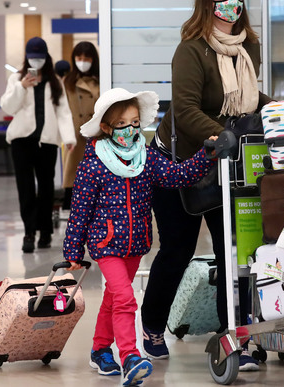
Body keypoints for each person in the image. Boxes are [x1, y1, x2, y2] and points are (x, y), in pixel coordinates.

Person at [140, 0, 273, 370]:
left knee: (231, 250)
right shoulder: (192, 49)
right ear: (207, 1)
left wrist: (277, 112)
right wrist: (221, 134)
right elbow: (185, 110)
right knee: (177, 249)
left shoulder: (250, 46)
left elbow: (246, 100)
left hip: (222, 162)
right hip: (177, 163)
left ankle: (231, 336)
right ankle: (150, 327)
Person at [63, 88, 217, 386]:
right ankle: (130, 356)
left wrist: (205, 155)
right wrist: (73, 251)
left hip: (135, 244)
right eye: (122, 124)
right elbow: (80, 209)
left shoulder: (145, 158)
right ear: (106, 128)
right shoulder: (94, 162)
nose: (131, 129)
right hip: (106, 244)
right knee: (124, 298)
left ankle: (99, 350)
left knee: (112, 299)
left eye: (135, 122)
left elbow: (177, 176)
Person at [0, 36, 76, 253]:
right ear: (26, 57)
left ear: (46, 57)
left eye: (39, 57)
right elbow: (8, 107)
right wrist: (22, 87)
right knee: (25, 188)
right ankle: (29, 232)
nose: (36, 61)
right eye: (32, 57)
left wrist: (69, 138)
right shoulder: (16, 78)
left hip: (47, 142)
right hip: (21, 141)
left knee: (45, 188)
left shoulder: (55, 81)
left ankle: (45, 231)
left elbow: (63, 112)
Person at [62, 41, 101, 210]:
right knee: (72, 176)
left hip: (97, 136)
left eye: (87, 57)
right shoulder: (67, 82)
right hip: (75, 137)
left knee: (96, 178)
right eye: (79, 57)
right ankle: (72, 213)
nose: (82, 60)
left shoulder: (101, 80)